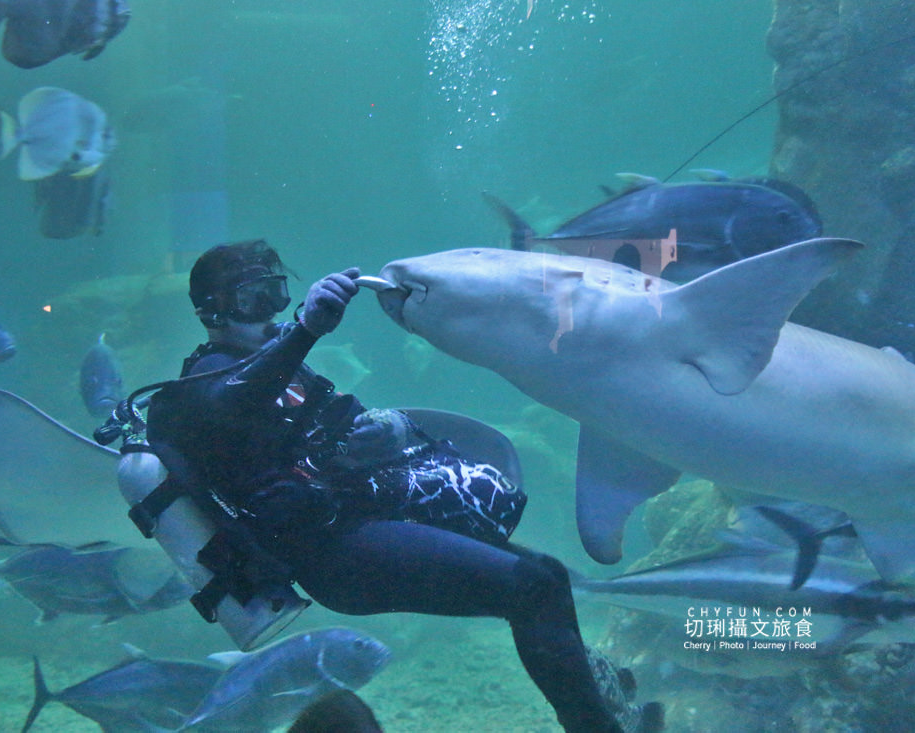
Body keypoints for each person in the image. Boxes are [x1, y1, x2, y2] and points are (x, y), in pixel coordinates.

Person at [145, 239, 624, 732]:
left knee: (546, 575)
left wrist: (389, 430)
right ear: (213, 311)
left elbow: (338, 423)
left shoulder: (282, 366)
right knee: (531, 587)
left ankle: (599, 711)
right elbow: (235, 401)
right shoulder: (205, 378)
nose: (270, 310)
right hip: (334, 555)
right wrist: (305, 330)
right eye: (253, 298)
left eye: (277, 292)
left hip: (361, 522)